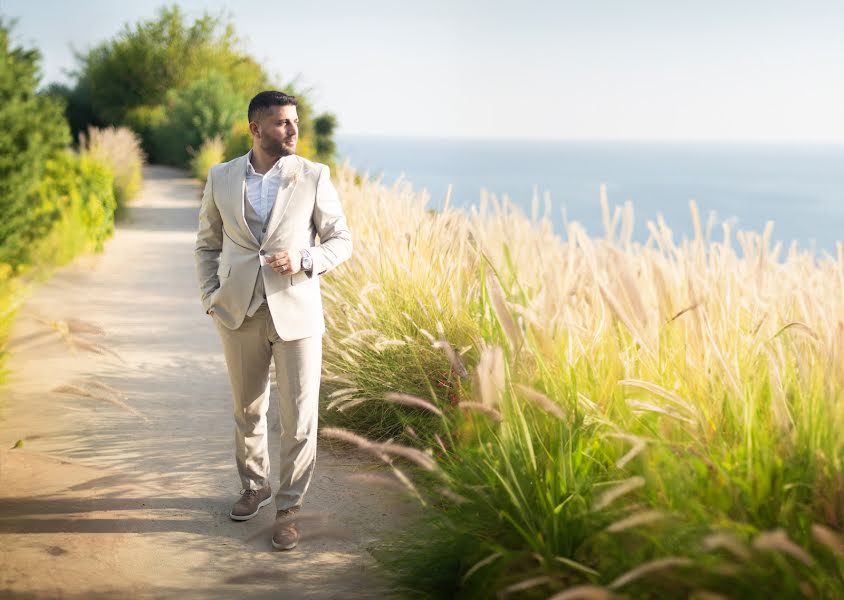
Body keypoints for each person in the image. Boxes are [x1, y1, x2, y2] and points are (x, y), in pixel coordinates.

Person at [194, 90, 352, 550]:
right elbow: (206, 244)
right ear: (255, 128)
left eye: (295, 121)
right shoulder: (221, 177)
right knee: (248, 408)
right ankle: (254, 487)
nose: (294, 130)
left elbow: (341, 240)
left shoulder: (314, 176)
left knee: (300, 417)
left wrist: (305, 257)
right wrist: (210, 297)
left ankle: (289, 508)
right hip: (237, 312)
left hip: (297, 313)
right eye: (283, 122)